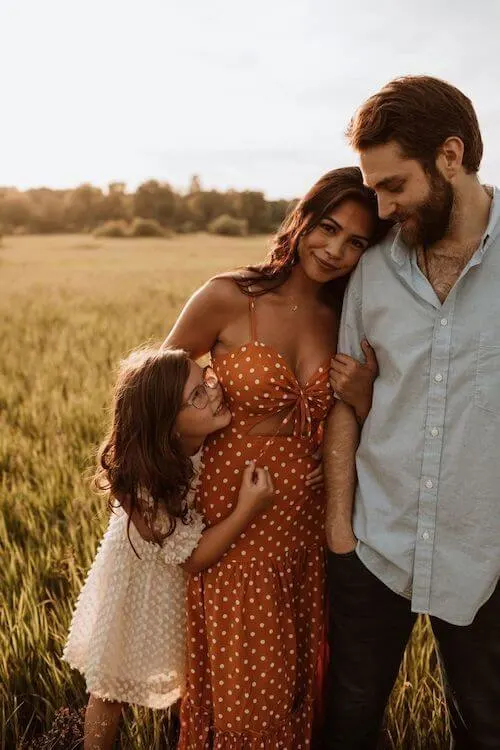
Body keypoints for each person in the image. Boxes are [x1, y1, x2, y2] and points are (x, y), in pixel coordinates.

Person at [164, 167, 388, 748]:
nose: (336, 250)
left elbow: (357, 420)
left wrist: (361, 403)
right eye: (329, 228)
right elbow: (154, 397)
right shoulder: (228, 296)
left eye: (357, 242)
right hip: (233, 526)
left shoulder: (343, 317)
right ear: (303, 218)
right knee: (246, 703)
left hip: (304, 527)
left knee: (296, 687)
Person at [324, 76, 500, 749]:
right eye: (374, 188)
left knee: (486, 727)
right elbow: (345, 403)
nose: (381, 205)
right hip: (376, 542)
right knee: (348, 719)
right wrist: (341, 532)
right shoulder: (373, 271)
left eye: (393, 185)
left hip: (485, 552)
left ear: (450, 156)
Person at [63, 346, 274, 750]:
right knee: (111, 689)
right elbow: (191, 557)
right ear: (170, 426)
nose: (214, 392)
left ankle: (185, 740)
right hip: (140, 587)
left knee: (189, 687)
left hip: (190, 594)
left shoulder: (216, 441)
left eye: (207, 379)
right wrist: (247, 510)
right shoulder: (145, 483)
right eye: (198, 394)